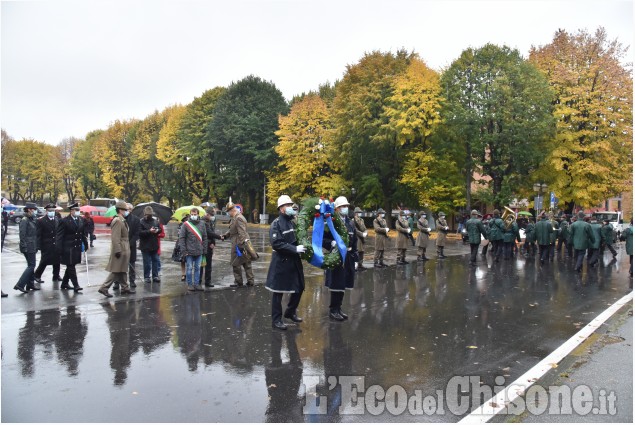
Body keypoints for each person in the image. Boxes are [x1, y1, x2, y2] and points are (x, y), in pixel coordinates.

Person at [265, 195, 305, 330]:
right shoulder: (276, 223)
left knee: (299, 287)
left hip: (294, 261)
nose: (290, 207)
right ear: (281, 208)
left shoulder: (293, 222)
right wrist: (294, 249)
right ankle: (276, 320)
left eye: (290, 205)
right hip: (281, 263)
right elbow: (276, 243)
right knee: (278, 292)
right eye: (287, 205)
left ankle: (290, 311)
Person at [324, 196, 357, 321]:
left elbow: (355, 241)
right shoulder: (330, 222)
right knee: (336, 283)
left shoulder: (350, 223)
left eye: (347, 206)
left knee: (343, 283)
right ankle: (333, 310)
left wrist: (355, 258)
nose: (346, 208)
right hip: (336, 255)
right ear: (336, 209)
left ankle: (339, 308)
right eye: (343, 206)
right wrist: (331, 243)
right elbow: (323, 239)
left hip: (348, 256)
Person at [98, 200, 134, 297]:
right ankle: (104, 288)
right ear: (120, 210)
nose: (127, 211)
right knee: (116, 270)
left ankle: (125, 287)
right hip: (120, 247)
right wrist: (117, 250)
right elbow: (115, 237)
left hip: (124, 246)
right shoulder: (117, 220)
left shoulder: (121, 220)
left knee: (122, 269)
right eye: (125, 210)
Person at [56, 202, 88, 291]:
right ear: (71, 211)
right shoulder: (64, 221)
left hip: (76, 247)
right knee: (71, 266)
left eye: (79, 210)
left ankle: (64, 283)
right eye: (76, 210)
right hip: (68, 247)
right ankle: (76, 285)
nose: (78, 212)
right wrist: (59, 249)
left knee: (71, 265)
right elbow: (59, 236)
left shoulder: (81, 220)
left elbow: (82, 234)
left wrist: (85, 244)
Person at [223, 200, 254, 287]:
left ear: (232, 210)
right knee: (246, 262)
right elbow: (233, 230)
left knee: (236, 263)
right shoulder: (235, 218)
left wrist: (241, 246)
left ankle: (239, 282)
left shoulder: (238, 218)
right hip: (241, 242)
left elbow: (242, 233)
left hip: (239, 243)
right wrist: (225, 236)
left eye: (228, 211)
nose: (228, 213)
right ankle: (250, 281)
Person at [179, 207, 208, 291]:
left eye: (195, 214)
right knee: (189, 269)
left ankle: (196, 284)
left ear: (198, 214)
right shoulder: (186, 224)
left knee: (198, 268)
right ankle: (190, 284)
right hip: (189, 251)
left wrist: (204, 249)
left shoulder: (202, 224)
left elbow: (205, 237)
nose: (193, 216)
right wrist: (184, 251)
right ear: (190, 215)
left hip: (199, 251)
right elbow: (182, 238)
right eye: (192, 214)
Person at [14, 202, 41, 293]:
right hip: (28, 246)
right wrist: (24, 246)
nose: (34, 211)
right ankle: (20, 284)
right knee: (31, 265)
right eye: (33, 210)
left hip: (32, 245)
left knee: (31, 265)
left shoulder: (31, 219)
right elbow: (22, 235)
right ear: (29, 209)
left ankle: (30, 284)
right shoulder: (25, 220)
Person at [33, 203, 62, 284]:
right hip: (46, 244)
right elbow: (38, 234)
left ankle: (56, 275)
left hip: (56, 244)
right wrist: (38, 246)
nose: (52, 212)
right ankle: (37, 275)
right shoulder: (41, 220)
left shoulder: (57, 219)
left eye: (53, 210)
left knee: (57, 261)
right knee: (44, 261)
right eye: (50, 211)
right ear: (46, 211)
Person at [200, 207, 224, 287]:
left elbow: (212, 233)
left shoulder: (210, 221)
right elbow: (209, 233)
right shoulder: (202, 222)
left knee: (208, 264)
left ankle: (208, 281)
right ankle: (199, 281)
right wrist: (220, 237)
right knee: (201, 264)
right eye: (211, 215)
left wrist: (213, 242)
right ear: (207, 214)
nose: (212, 217)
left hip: (209, 245)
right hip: (203, 245)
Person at [139, 206, 161, 283]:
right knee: (147, 262)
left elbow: (159, 230)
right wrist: (149, 231)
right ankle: (146, 277)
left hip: (154, 244)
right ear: (144, 214)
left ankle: (155, 276)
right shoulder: (141, 222)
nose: (148, 215)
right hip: (145, 246)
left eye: (150, 214)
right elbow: (140, 233)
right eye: (147, 214)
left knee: (155, 261)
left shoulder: (155, 221)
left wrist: (157, 230)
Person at [122, 203, 141, 289]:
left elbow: (137, 233)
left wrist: (130, 243)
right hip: (121, 245)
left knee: (131, 263)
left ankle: (132, 280)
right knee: (120, 265)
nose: (126, 211)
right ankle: (119, 282)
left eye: (128, 209)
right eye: (125, 209)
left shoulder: (136, 219)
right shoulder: (119, 218)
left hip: (131, 245)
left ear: (131, 210)